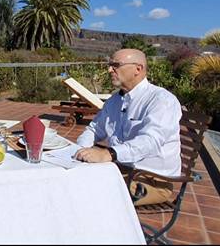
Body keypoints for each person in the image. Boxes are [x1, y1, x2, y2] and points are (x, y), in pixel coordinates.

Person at [73, 48, 182, 206]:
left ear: (138, 69)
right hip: (119, 169)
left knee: (88, 192)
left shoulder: (161, 100)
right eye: (110, 65)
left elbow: (150, 141)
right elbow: (94, 129)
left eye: (116, 65)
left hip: (151, 180)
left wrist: (109, 154)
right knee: (71, 180)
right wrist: (79, 151)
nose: (110, 69)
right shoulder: (114, 101)